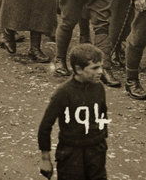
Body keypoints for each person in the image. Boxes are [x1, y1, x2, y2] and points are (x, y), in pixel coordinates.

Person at [37, 43, 111, 180]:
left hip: (96, 151)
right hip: (71, 154)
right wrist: (45, 158)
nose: (100, 71)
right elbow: (45, 127)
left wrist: (102, 142)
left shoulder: (99, 88)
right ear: (79, 69)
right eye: (94, 68)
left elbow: (102, 113)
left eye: (100, 66)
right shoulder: (63, 93)